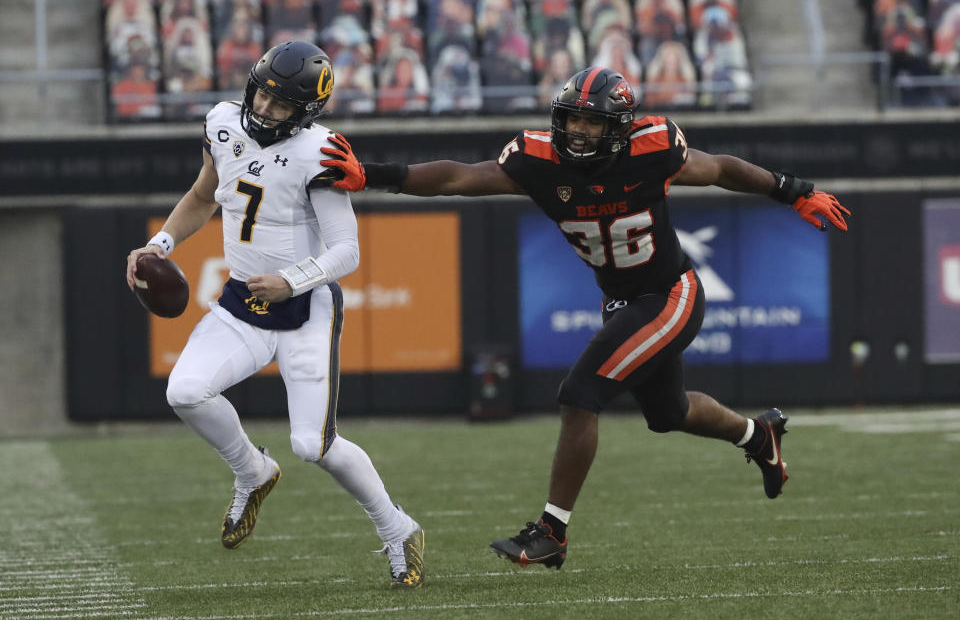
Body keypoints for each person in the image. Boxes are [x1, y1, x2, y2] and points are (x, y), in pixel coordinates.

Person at [319, 66, 851, 570]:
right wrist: (372, 176)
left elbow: (721, 169)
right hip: (621, 299)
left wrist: (795, 190)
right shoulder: (538, 160)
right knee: (668, 412)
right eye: (572, 118)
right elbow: (459, 177)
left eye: (592, 121)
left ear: (619, 128)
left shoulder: (653, 148)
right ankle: (758, 437)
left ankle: (552, 533)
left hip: (670, 293)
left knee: (580, 394)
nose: (578, 130)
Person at [124, 40, 425, 588]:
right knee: (184, 391)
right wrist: (161, 244)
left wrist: (292, 280)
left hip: (306, 305)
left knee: (314, 445)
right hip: (244, 300)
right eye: (262, 95)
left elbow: (347, 251)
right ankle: (252, 470)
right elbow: (202, 194)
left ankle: (397, 528)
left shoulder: (322, 153)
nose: (264, 110)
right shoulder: (223, 123)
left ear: (307, 111)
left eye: (281, 105)